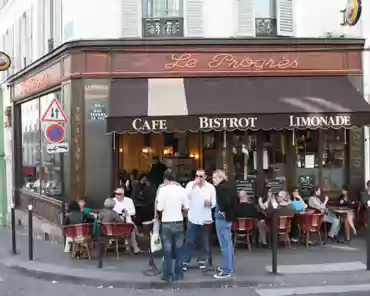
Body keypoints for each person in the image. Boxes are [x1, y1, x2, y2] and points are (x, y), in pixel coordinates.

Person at [156, 169, 189, 282]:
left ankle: (168, 275)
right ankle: (179, 274)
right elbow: (186, 207)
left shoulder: (163, 190)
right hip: (179, 222)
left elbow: (159, 208)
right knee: (179, 250)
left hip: (166, 223)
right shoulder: (182, 190)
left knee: (167, 250)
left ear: (165, 179)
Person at [183, 169, 216, 271]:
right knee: (190, 241)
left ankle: (202, 260)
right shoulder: (190, 185)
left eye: (201, 176)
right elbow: (185, 197)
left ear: (205, 177)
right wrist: (193, 187)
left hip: (205, 218)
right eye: (196, 176)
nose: (198, 178)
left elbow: (214, 202)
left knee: (204, 241)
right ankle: (185, 261)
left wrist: (210, 204)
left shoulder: (210, 187)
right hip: (193, 217)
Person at [212, 169, 237, 279]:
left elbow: (225, 202)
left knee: (225, 245)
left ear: (220, 177)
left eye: (214, 177)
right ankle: (229, 266)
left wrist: (222, 211)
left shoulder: (221, 188)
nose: (213, 180)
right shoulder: (230, 186)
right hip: (228, 218)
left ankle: (227, 270)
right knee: (229, 244)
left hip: (222, 219)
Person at [113, 187, 141, 254]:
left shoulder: (129, 200)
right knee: (132, 227)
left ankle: (134, 246)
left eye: (119, 194)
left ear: (123, 194)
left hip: (127, 220)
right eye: (115, 194)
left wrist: (126, 213)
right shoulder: (113, 201)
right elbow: (111, 212)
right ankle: (132, 243)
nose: (117, 195)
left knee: (131, 227)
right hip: (116, 222)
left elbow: (133, 212)